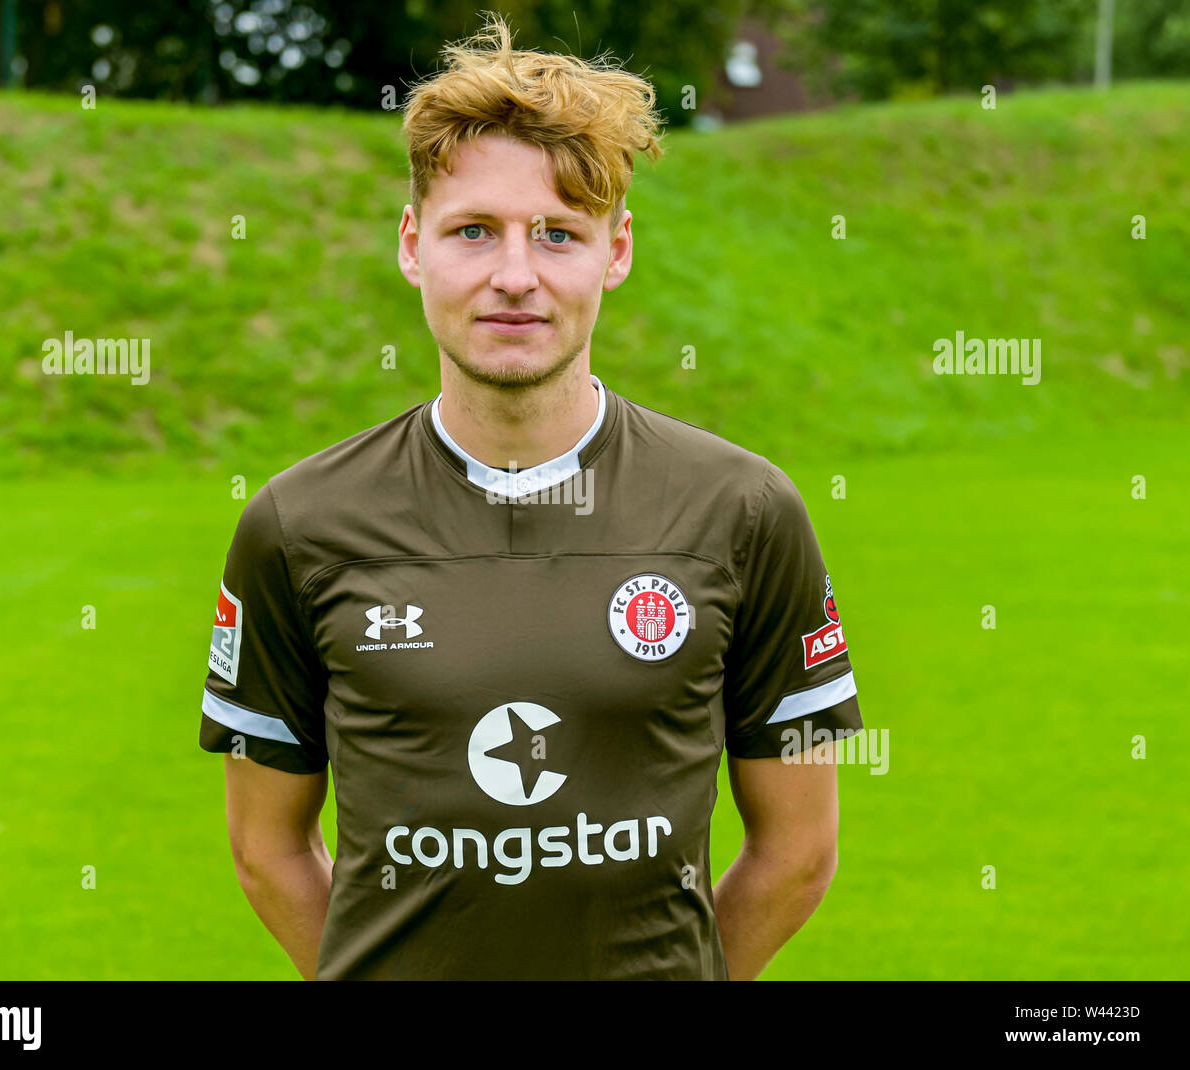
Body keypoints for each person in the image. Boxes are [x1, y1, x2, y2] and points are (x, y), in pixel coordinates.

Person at [199, 12, 862, 981]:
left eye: (559, 234)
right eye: (474, 232)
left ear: (616, 251)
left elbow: (797, 851)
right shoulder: (297, 525)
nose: (516, 276)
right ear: (412, 245)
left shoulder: (745, 510)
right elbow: (266, 850)